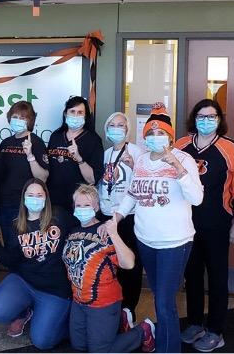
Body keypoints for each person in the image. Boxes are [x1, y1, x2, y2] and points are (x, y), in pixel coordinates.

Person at [115, 102, 203, 353]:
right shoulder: (142, 160)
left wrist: (176, 167)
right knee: (158, 297)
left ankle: (168, 349)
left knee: (164, 303)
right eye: (151, 134)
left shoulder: (184, 160)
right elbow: (132, 193)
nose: (155, 137)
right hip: (146, 239)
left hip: (174, 243)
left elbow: (197, 199)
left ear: (171, 136)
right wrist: (117, 216)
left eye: (161, 133)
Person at [175, 99, 234, 352]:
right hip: (186, 224)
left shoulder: (229, 148)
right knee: (192, 276)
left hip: (218, 222)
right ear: (194, 118)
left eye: (211, 116)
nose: (206, 121)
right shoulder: (181, 146)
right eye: (201, 116)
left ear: (219, 119)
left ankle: (216, 330)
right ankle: (195, 323)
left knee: (217, 277)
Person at [63, 184, 155, 353]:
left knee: (99, 351)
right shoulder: (71, 232)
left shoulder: (105, 230)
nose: (82, 209)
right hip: (79, 302)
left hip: (104, 303)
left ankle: (143, 331)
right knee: (79, 346)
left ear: (96, 207)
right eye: (79, 205)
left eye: (87, 205)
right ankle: (120, 319)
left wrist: (113, 233)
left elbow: (129, 263)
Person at [0, 178, 73, 349]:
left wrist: (98, 227)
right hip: (24, 281)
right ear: (24, 198)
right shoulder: (16, 225)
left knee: (43, 342)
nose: (35, 198)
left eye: (39, 195)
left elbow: (80, 228)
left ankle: (62, 318)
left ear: (46, 197)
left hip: (54, 290)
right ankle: (25, 311)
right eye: (31, 195)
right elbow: (11, 259)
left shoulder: (60, 215)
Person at [97, 112, 144, 320]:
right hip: (107, 215)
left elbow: (140, 187)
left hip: (128, 218)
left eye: (121, 125)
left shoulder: (137, 153)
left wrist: (134, 165)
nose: (116, 129)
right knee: (111, 264)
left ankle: (129, 310)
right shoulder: (105, 154)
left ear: (127, 130)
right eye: (112, 125)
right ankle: (113, 306)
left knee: (130, 265)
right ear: (107, 130)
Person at [0, 101, 49, 248]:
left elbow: (43, 177)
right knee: (9, 244)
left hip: (25, 206)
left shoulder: (36, 143)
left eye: (23, 117)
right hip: (4, 204)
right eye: (15, 116)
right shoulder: (5, 143)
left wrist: (30, 156)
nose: (18, 120)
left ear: (30, 121)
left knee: (25, 246)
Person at [47, 96, 104, 211]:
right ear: (65, 114)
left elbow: (92, 179)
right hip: (54, 202)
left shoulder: (93, 140)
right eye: (72, 111)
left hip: (80, 204)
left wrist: (79, 159)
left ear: (86, 116)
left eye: (80, 112)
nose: (75, 115)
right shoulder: (56, 136)